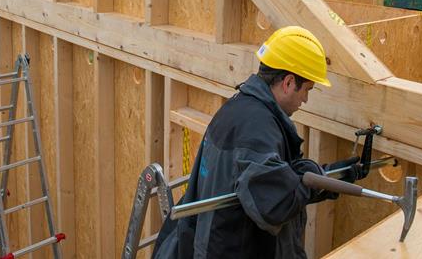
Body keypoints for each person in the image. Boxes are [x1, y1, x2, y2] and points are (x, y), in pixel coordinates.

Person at [153, 26, 357, 259]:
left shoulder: (240, 107)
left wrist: (330, 175)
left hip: (210, 243)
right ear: (289, 82)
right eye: (307, 89)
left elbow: (271, 179)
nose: (306, 99)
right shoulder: (258, 130)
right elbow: (274, 206)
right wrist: (316, 178)